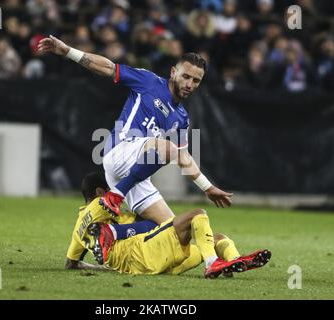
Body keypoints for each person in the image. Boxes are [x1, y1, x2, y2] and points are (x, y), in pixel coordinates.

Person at [38, 35, 234, 241]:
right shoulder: (149, 81)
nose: (190, 84)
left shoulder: (182, 118)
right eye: (186, 77)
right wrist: (69, 51)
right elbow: (108, 68)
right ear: (173, 72)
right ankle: (116, 196)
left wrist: (208, 188)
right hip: (119, 152)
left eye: (196, 81)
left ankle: (110, 234)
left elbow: (183, 157)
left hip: (135, 174)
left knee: (174, 232)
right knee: (168, 148)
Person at [65, 172, 271, 279]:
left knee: (216, 239)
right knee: (197, 215)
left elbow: (71, 264)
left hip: (152, 264)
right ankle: (212, 264)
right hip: (140, 251)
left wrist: (103, 268)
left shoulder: (78, 229)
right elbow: (103, 205)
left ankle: (232, 263)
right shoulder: (99, 204)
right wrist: (114, 229)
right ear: (101, 192)